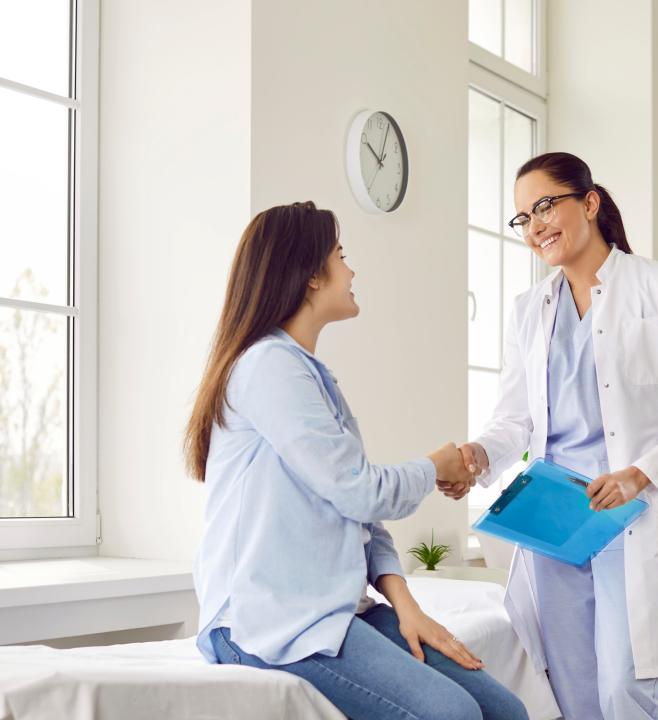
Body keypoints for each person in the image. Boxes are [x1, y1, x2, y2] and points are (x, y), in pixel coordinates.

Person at [185, 201, 528, 720]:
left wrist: (405, 606)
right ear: (309, 278)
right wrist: (436, 465)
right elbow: (360, 489)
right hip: (269, 623)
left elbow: (358, 512)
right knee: (451, 714)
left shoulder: (312, 376)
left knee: (504, 711)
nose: (351, 269)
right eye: (340, 256)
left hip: (335, 611)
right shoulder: (268, 368)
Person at [440, 153, 658, 719]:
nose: (535, 226)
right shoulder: (530, 310)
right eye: (523, 217)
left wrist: (639, 473)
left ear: (590, 203)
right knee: (574, 691)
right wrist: (479, 456)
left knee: (624, 688)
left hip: (633, 516)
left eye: (545, 206)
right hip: (556, 524)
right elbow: (515, 420)